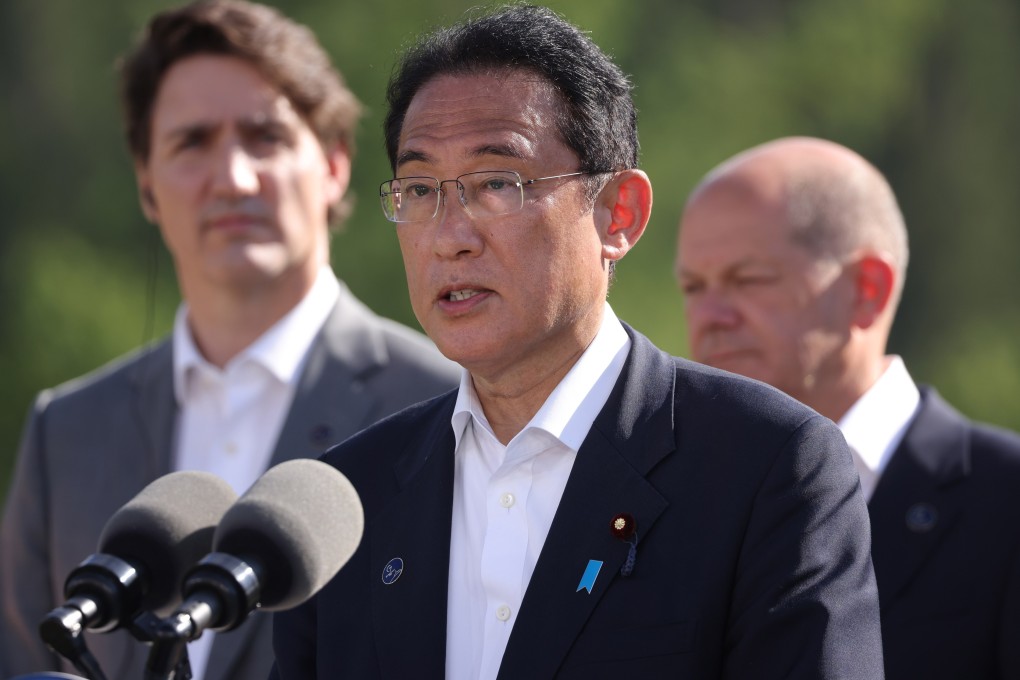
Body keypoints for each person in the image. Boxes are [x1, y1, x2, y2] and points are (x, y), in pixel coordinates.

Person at [269, 7, 884, 679]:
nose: (450, 235)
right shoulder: (346, 500)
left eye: (497, 184)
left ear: (618, 214)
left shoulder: (768, 468)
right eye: (419, 190)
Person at [0, 1, 459, 679]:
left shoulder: (448, 402)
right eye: (192, 142)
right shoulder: (65, 431)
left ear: (334, 164)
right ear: (146, 183)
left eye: (264, 136)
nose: (234, 178)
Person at [675, 135, 1020, 680]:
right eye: (694, 287)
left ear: (867, 289)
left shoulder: (1005, 501)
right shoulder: (674, 498)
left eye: (748, 279)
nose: (711, 315)